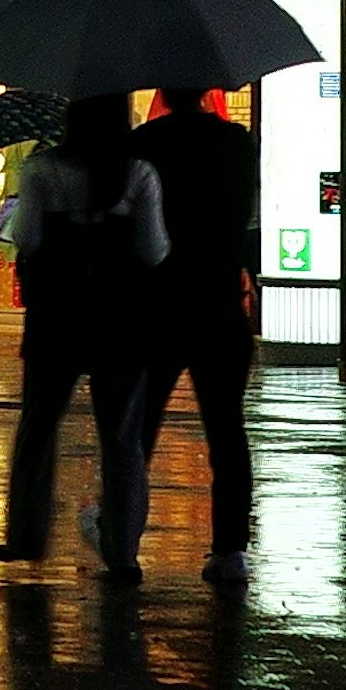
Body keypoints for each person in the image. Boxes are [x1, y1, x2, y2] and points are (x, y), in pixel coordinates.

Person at [0, 92, 169, 582]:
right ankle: (123, 551)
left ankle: (26, 535)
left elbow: (28, 240)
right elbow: (154, 252)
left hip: (57, 317)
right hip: (122, 321)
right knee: (122, 438)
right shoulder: (139, 174)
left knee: (38, 427)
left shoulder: (43, 169)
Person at [130, 89, 258, 585]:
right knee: (227, 430)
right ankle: (229, 549)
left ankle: (124, 538)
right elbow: (240, 214)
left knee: (139, 428)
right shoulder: (234, 142)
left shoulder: (145, 144)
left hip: (160, 301)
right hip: (219, 300)